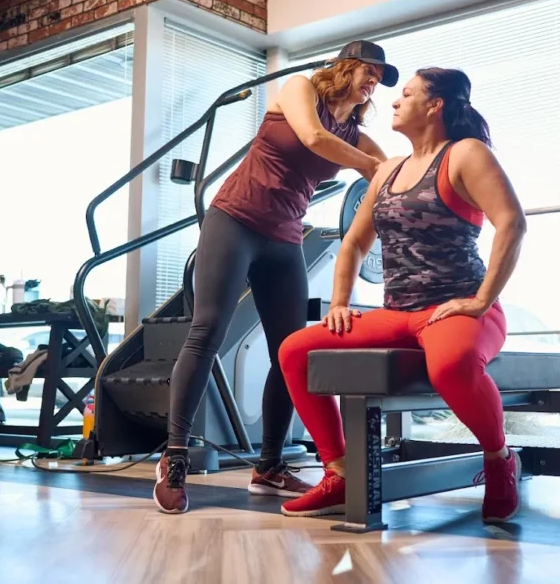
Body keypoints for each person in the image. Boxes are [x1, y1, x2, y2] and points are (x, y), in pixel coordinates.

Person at [154, 41, 399, 514]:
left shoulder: (357, 137)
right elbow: (312, 138)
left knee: (290, 352)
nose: (373, 82)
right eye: (367, 71)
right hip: (235, 220)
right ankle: (175, 457)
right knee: (207, 332)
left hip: (285, 238)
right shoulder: (298, 89)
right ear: (343, 68)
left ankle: (268, 466)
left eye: (379, 78)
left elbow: (389, 178)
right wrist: (371, 166)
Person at [277, 67, 527, 522]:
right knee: (295, 350)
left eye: (407, 94)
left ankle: (498, 460)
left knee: (449, 366)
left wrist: (481, 301)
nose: (394, 101)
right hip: (397, 313)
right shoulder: (387, 170)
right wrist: (339, 303)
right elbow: (354, 243)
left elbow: (512, 222)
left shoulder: (466, 154)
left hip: (457, 307)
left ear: (435, 105)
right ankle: (340, 473)